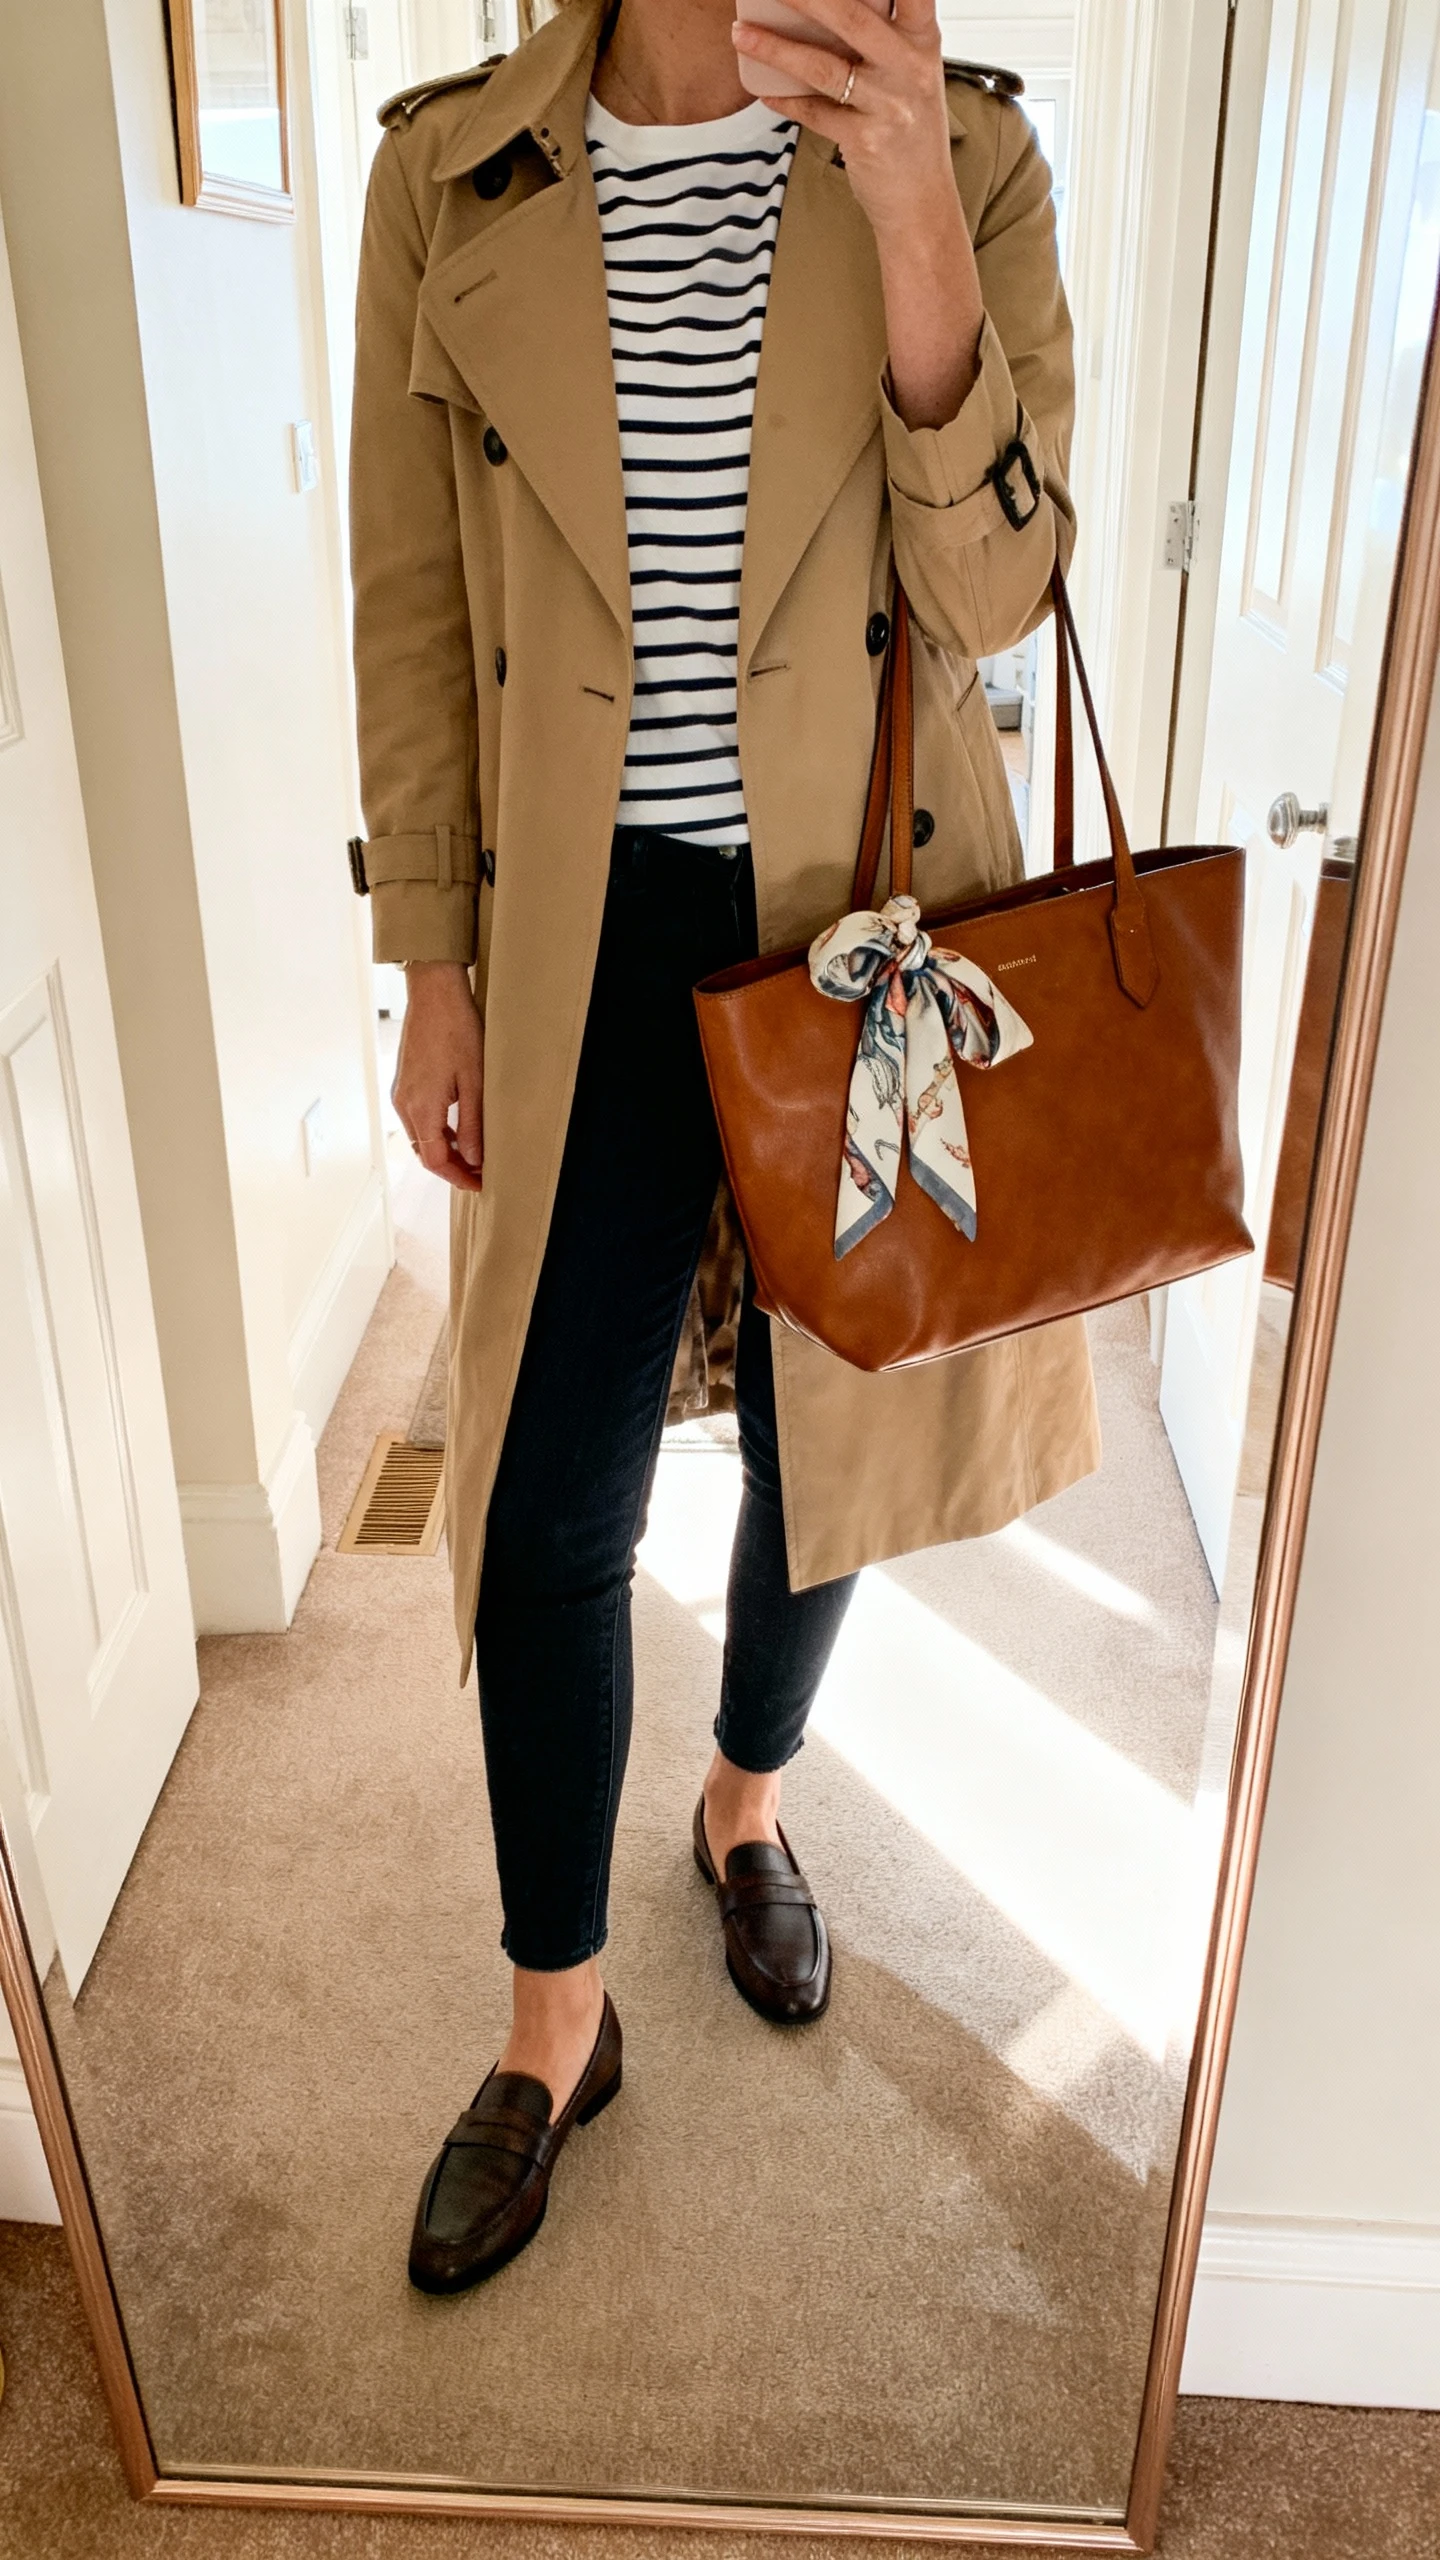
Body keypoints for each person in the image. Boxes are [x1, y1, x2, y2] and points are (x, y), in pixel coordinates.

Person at [349, 0, 1099, 2294]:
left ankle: (744, 1802)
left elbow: (1000, 603)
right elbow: (411, 607)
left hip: (856, 914)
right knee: (549, 1489)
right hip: (582, 929)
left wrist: (904, 223)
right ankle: (551, 2023)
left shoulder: (960, 151)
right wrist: (438, 958)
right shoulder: (450, 170)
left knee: (826, 1441)